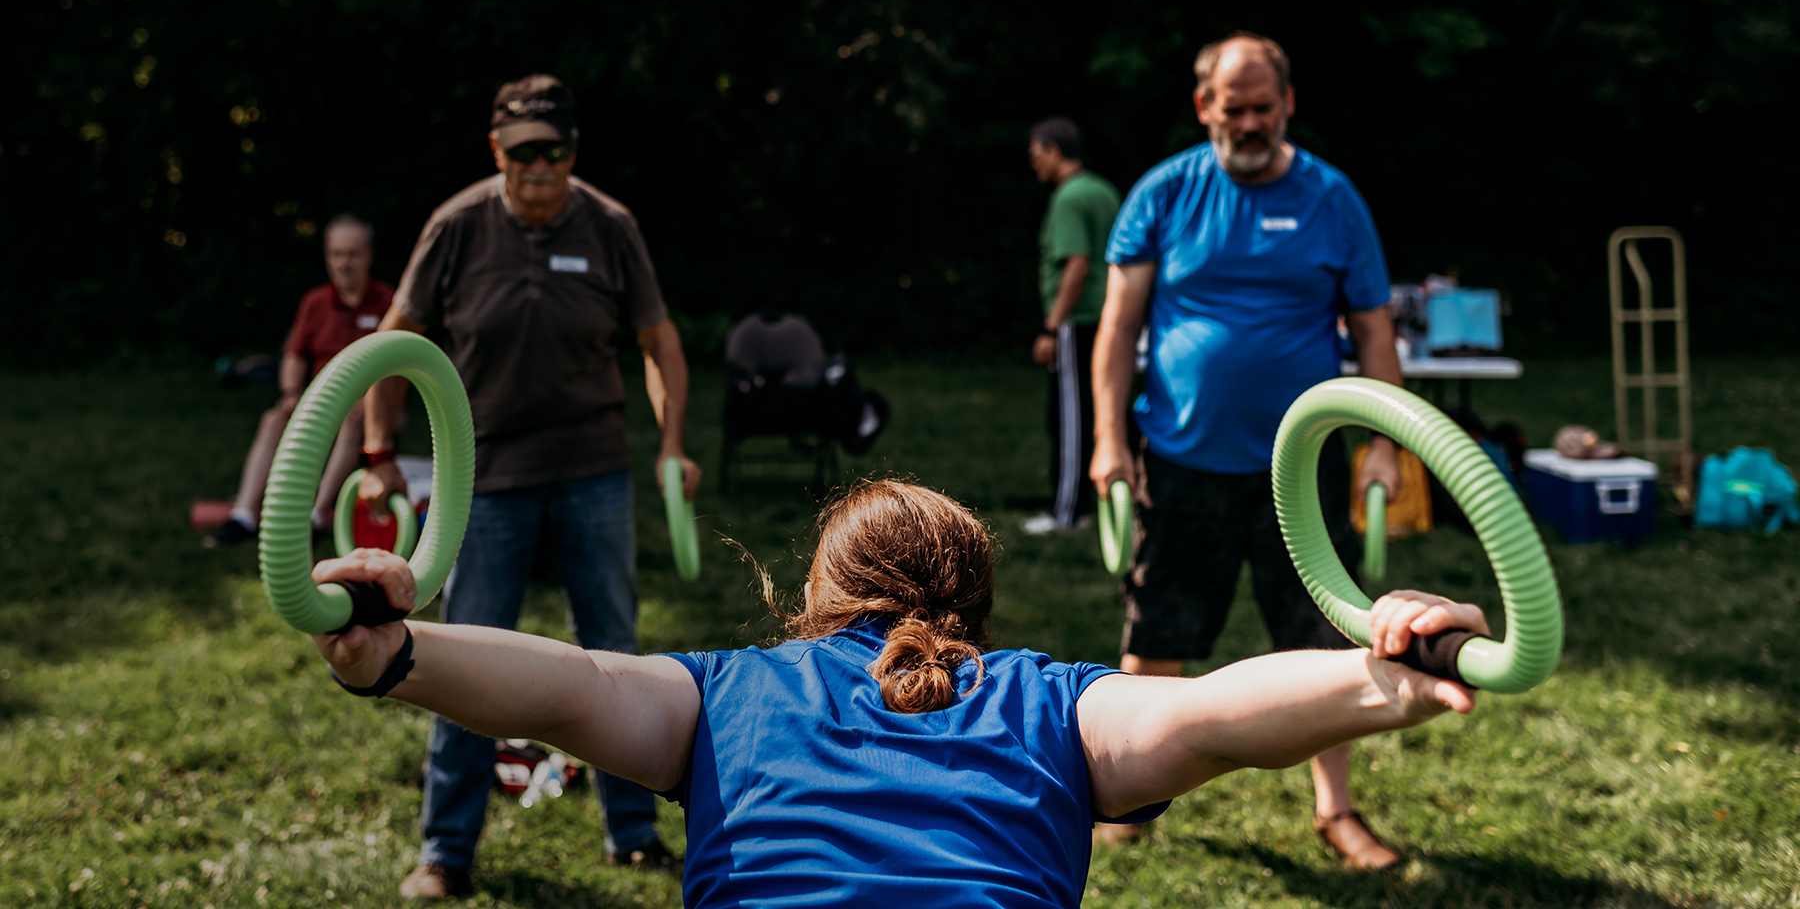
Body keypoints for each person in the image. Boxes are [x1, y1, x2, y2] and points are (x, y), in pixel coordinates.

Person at [309, 480, 1489, 906]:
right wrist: (1388, 669)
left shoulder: (728, 692)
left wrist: (399, 650)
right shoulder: (1050, 699)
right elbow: (1214, 711)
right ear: (972, 602)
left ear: (815, 595)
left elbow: (566, 687)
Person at [358, 74, 702, 899]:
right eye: (522, 155)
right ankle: (446, 851)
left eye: (552, 152)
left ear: (574, 152)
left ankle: (634, 832)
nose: (538, 168)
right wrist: (376, 449)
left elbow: (659, 341)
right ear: (496, 153)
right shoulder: (459, 225)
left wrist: (674, 443)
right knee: (462, 655)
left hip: (593, 470)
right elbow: (394, 338)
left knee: (617, 652)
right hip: (485, 477)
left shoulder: (610, 225)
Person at [1089, 32, 1409, 866]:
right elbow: (1119, 329)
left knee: (1329, 639)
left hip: (1300, 469)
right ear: (1205, 108)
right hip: (1182, 455)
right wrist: (1107, 440)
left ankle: (1335, 810)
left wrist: (1384, 447)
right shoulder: (1163, 193)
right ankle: (1127, 792)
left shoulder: (1332, 198)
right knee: (1158, 627)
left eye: (1265, 107)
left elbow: (1375, 332)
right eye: (1235, 109)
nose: (1252, 122)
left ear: (1288, 103)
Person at [215, 215, 392, 545]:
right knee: (273, 420)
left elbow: (399, 363)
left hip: (370, 401)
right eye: (336, 254)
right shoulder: (314, 302)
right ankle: (244, 513)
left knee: (354, 421)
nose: (344, 263)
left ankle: (314, 514)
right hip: (319, 396)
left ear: (368, 256)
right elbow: (294, 355)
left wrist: (373, 398)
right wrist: (292, 392)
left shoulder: (388, 302)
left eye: (352, 254)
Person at [1023, 118, 1121, 535]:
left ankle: (1068, 512)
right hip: (1111, 318)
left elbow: (1077, 265)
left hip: (1077, 322)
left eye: (1036, 154)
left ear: (1053, 150)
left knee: (1069, 418)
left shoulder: (1069, 198)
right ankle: (1112, 502)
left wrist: (1051, 326)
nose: (1034, 164)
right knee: (1106, 412)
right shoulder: (1104, 191)